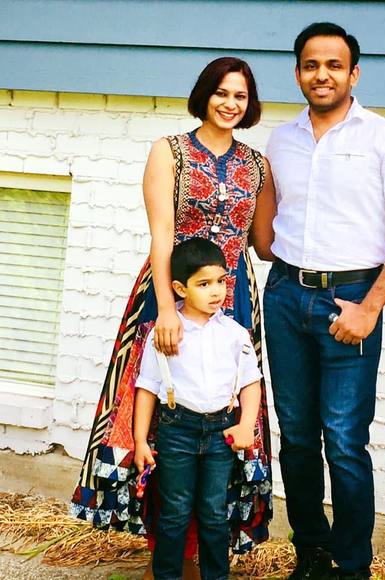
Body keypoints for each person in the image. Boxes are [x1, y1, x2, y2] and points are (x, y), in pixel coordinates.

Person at [70, 57, 275, 579]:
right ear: (205, 94)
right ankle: (166, 554)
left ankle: (206, 549)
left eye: (241, 96)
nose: (230, 104)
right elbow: (162, 234)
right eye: (222, 92)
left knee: (226, 413)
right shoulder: (170, 151)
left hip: (234, 298)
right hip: (170, 292)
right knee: (164, 415)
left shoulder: (258, 165)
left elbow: (266, 242)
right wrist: (167, 308)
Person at [262, 22, 385, 580]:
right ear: (297, 73)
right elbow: (267, 232)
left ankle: (351, 566)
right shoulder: (280, 141)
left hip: (352, 298)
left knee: (344, 440)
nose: (322, 75)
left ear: (354, 73)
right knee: (296, 437)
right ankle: (310, 554)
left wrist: (370, 307)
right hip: (286, 294)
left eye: (334, 65)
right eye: (311, 65)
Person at [134, 237, 262, 580]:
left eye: (220, 281)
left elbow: (251, 382)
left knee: (214, 513)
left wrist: (246, 425)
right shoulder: (165, 333)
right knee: (175, 512)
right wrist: (141, 441)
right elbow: (147, 387)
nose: (216, 291)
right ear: (180, 288)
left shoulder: (235, 334)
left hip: (221, 433)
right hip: (177, 430)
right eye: (203, 284)